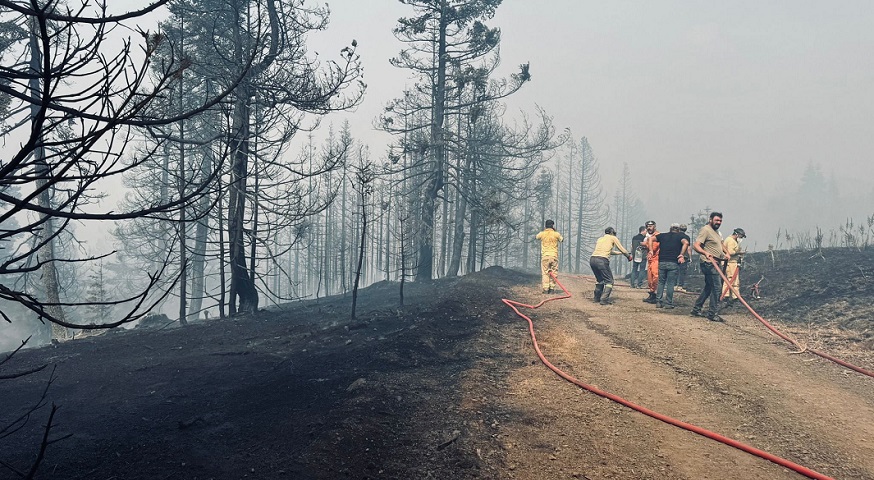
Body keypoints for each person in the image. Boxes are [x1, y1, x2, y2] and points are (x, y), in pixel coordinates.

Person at [690, 212, 731, 322]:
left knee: (709, 287)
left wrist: (727, 253)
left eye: (720, 221)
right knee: (717, 288)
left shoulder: (716, 232)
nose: (719, 222)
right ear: (710, 219)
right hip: (709, 263)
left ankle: (696, 309)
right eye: (717, 220)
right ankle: (712, 313)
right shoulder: (705, 230)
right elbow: (696, 245)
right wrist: (705, 253)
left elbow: (720, 244)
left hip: (716, 263)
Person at [590, 227, 633, 304]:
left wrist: (620, 253)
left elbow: (609, 251)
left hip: (593, 259)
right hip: (602, 260)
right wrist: (628, 256)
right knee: (609, 281)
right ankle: (604, 299)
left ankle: (596, 298)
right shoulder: (613, 238)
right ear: (612, 232)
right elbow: (621, 248)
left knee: (600, 280)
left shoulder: (600, 239)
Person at [653, 224, 689, 309]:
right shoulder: (681, 236)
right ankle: (668, 303)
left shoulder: (662, 236)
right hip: (673, 262)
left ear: (670, 228)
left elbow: (650, 239)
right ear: (678, 229)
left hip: (662, 261)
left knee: (661, 282)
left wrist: (651, 250)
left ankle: (658, 302)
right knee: (670, 283)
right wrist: (681, 254)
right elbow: (686, 243)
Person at [536, 219, 564, 294]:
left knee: (545, 273)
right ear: (552, 226)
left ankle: (545, 289)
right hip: (554, 256)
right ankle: (551, 289)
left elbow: (537, 237)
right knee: (554, 273)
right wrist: (555, 232)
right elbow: (562, 239)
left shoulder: (542, 233)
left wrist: (544, 231)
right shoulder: (556, 234)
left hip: (545, 256)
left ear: (545, 226)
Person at [721, 228, 746, 307]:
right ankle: (734, 297)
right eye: (741, 236)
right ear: (737, 234)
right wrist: (739, 253)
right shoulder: (731, 241)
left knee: (729, 280)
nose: (741, 238)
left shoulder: (733, 240)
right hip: (730, 263)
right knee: (733, 280)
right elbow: (730, 252)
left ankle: (727, 295)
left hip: (732, 262)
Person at [642, 220, 660, 303]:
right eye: (647, 226)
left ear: (654, 227)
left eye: (651, 226)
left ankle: (655, 294)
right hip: (650, 259)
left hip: (656, 259)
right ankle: (651, 293)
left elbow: (654, 247)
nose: (649, 228)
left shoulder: (657, 236)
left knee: (655, 276)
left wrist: (644, 244)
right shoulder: (648, 236)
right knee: (650, 278)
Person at [675, 224, 692, 292]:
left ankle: (674, 285)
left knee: (675, 271)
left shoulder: (675, 236)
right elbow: (688, 248)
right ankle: (680, 286)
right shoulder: (687, 237)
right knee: (682, 272)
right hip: (684, 256)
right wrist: (690, 257)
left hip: (676, 256)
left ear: (679, 229)